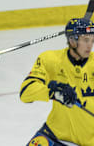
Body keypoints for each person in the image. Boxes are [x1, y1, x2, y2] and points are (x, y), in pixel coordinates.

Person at [20, 18, 94, 146]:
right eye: (85, 40)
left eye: (92, 40)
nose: (90, 45)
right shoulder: (50, 59)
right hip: (54, 136)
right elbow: (26, 92)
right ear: (72, 40)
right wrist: (52, 92)